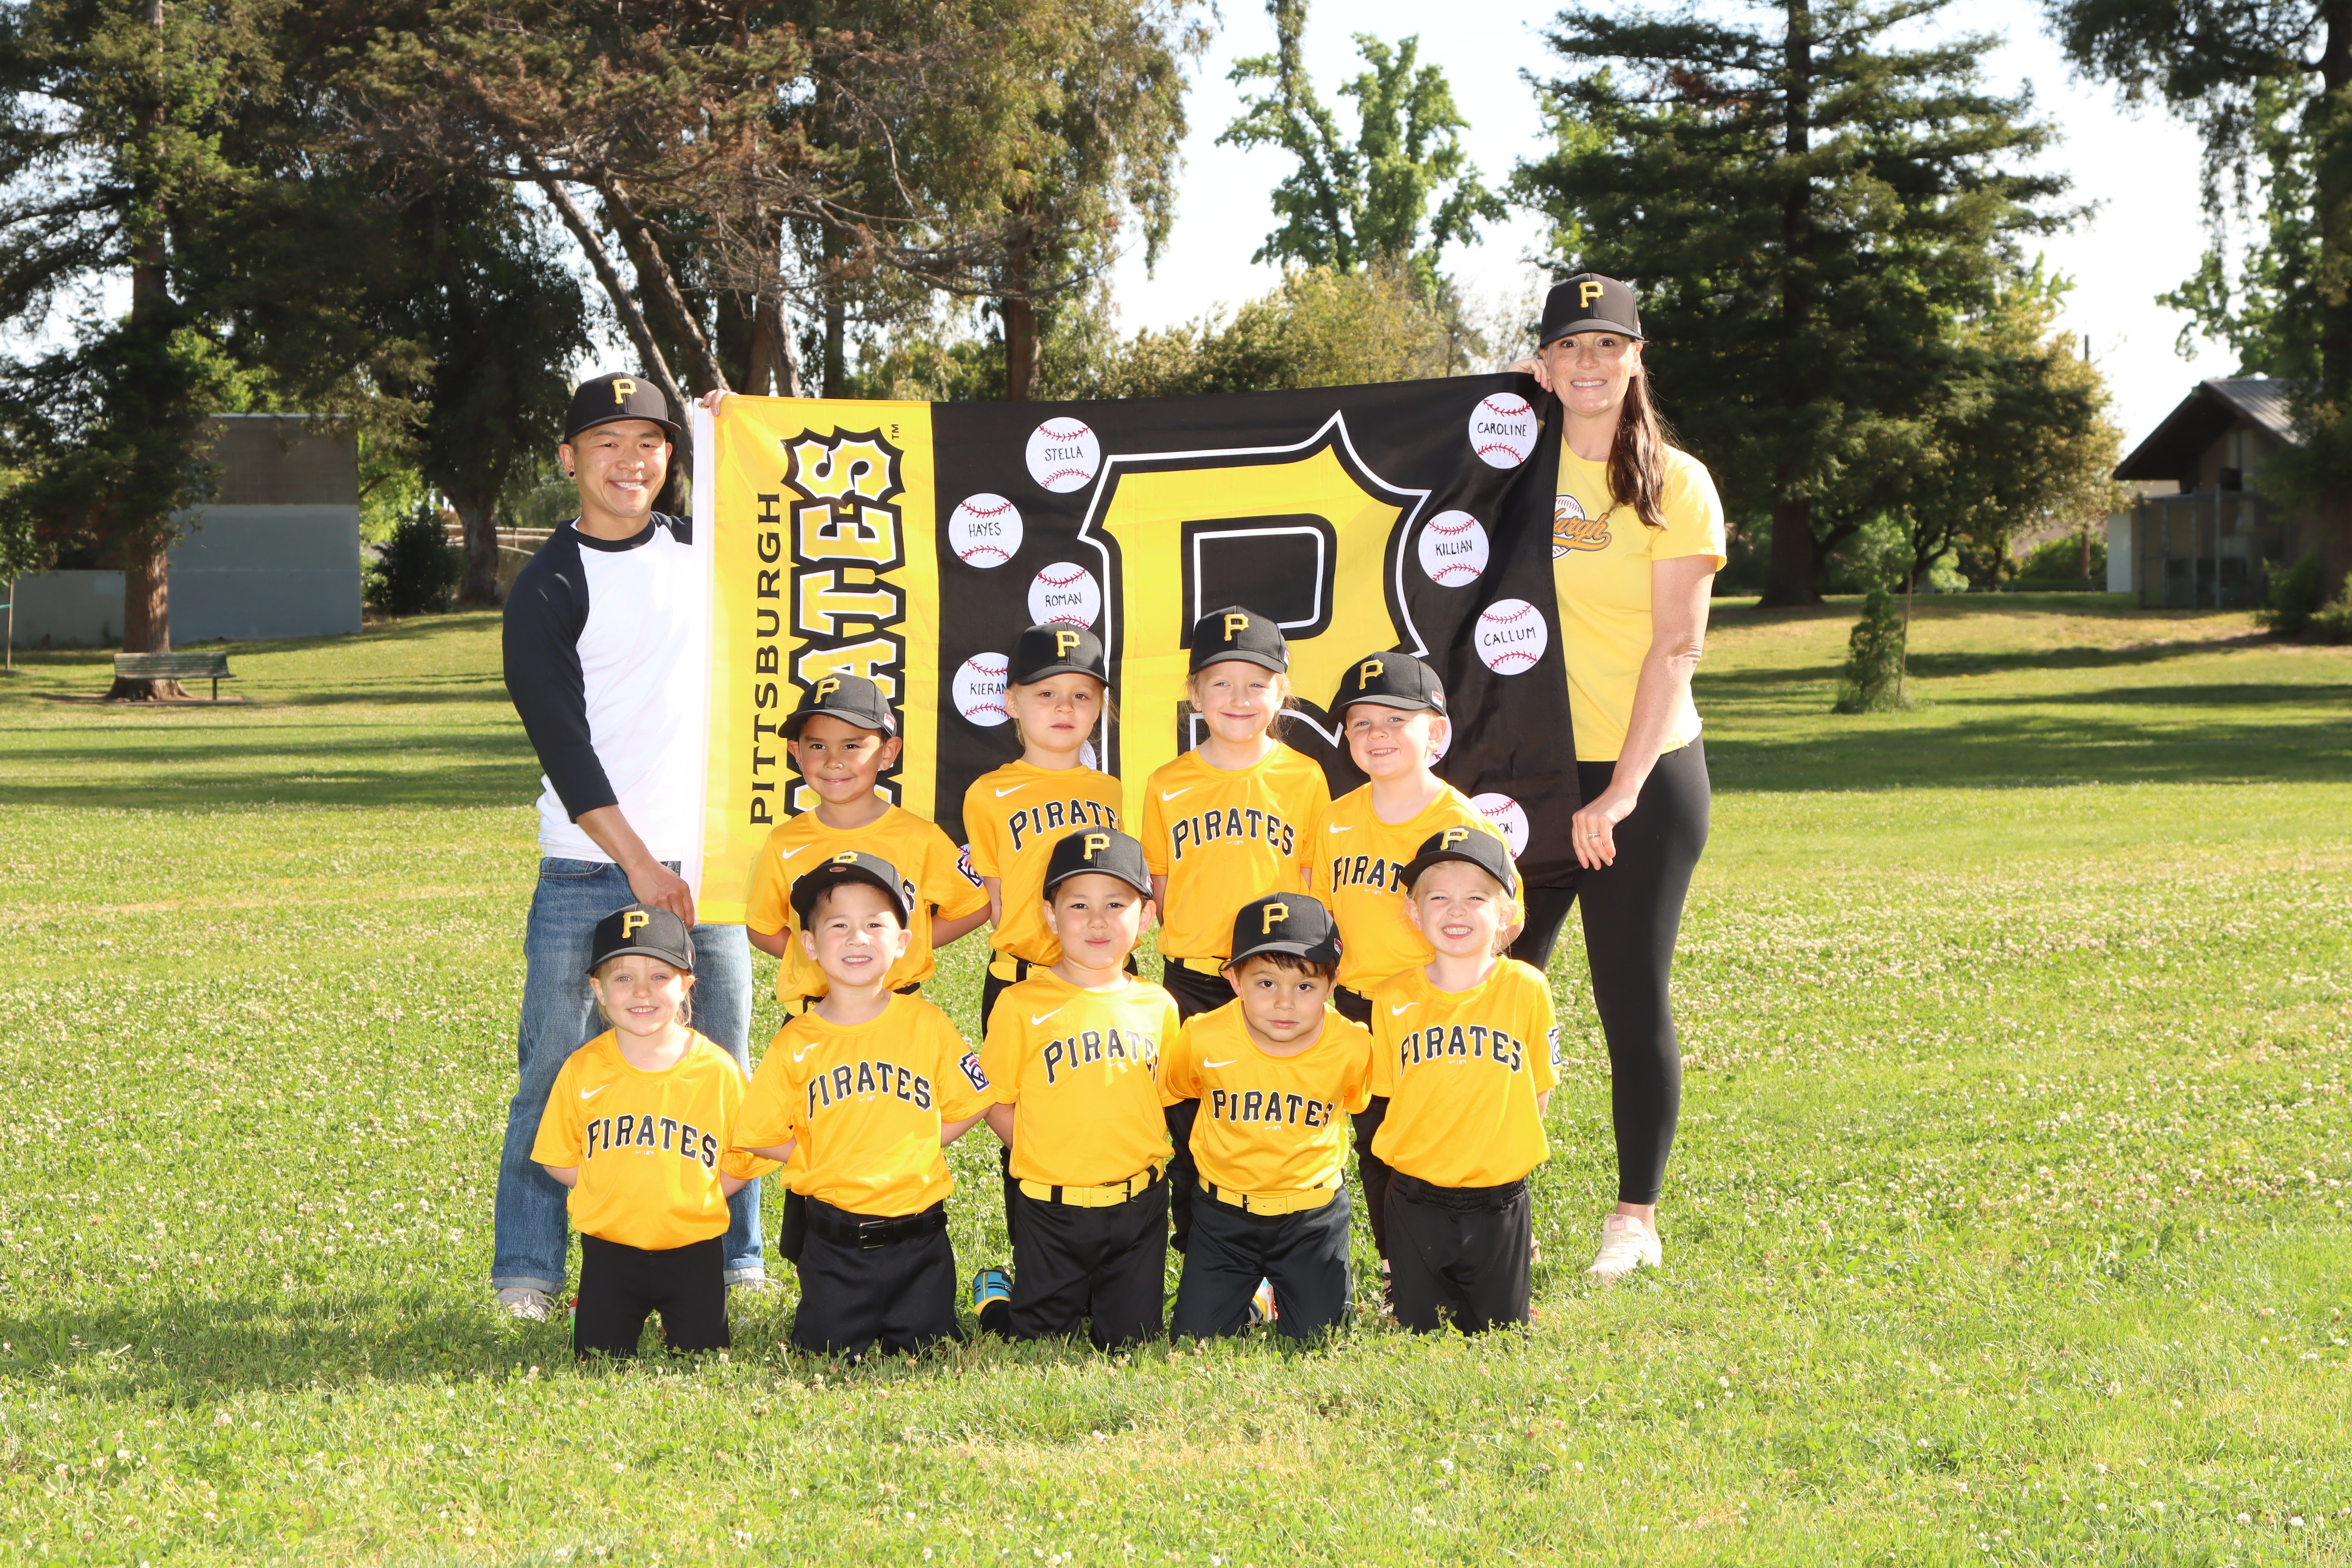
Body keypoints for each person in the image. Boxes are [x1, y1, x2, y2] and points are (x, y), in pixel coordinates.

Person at [497, 373, 764, 1320]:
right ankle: (528, 1273)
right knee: (554, 1071)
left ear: (669, 457)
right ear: (569, 458)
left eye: (649, 441)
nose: (629, 461)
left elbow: (788, 532)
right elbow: (564, 748)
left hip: (707, 870)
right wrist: (643, 867)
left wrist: (735, 429)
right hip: (588, 866)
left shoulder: (703, 550)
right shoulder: (548, 585)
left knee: (722, 1064)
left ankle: (734, 1260)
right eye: (607, 442)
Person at [1511, 273, 1726, 1282]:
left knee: (1628, 997)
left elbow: (1677, 647)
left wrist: (1623, 789)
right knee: (1493, 990)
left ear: (1637, 358)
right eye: (1570, 346)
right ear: (1543, 366)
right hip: (1531, 773)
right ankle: (1482, 1198)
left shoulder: (1675, 483)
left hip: (1646, 774)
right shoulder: (1512, 465)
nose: (1589, 363)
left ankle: (1634, 1218)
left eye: (1608, 345)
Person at [732, 853, 990, 1359]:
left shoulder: (927, 1024)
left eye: (875, 924)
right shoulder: (796, 1041)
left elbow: (973, 1101)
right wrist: (820, 1155)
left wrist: (915, 1140)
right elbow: (758, 1132)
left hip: (921, 1240)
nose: (857, 938)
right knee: (826, 1355)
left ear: (903, 941)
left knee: (929, 1353)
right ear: (809, 944)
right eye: (839, 925)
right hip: (835, 1244)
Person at [1305, 651, 1510, 1273]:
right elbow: (1325, 916)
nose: (1378, 734)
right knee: (1378, 1141)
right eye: (1361, 722)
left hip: (1434, 1006)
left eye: (1397, 719)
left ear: (1436, 731)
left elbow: (1508, 918)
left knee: (1449, 1129)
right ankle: (1402, 1265)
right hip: (1363, 1007)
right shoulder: (1337, 818)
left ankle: (1480, 1254)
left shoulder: (1461, 821)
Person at [1141, 606, 1330, 1253]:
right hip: (1193, 980)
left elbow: (1312, 885)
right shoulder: (1168, 783)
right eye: (1220, 682)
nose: (1239, 698)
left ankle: (1276, 1258)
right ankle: (1205, 1256)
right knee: (1191, 1122)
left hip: (1276, 981)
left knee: (1269, 1119)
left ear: (1282, 692)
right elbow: (1161, 887)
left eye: (1257, 683)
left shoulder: (1303, 777)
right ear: (1194, 694)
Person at [969, 829, 1178, 1348]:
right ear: (1050, 915)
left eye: (1116, 903)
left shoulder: (1159, 1006)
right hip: (1050, 1207)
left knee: (1132, 1342)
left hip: (1138, 1204)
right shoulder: (1020, 1004)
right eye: (1079, 904)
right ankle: (997, 1300)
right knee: (1040, 1342)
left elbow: (1163, 1100)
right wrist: (1041, 1149)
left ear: (1147, 916)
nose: (1098, 920)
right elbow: (994, 1097)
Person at [530, 904, 765, 1358]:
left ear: (687, 984)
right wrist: (608, 1186)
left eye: (660, 976)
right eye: (623, 977)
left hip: (694, 1248)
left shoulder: (717, 1070)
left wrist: (702, 1192)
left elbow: (748, 1156)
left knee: (703, 1358)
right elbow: (557, 1157)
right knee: (599, 1359)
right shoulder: (582, 1069)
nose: (642, 991)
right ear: (598, 989)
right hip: (610, 1250)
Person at [1369, 830, 1558, 1335]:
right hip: (1415, 1199)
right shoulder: (1392, 996)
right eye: (1439, 898)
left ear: (1507, 913)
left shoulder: (1527, 989)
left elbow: (1539, 1090)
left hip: (1499, 1200)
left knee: (1502, 1331)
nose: (1456, 911)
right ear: (1413, 913)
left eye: (1476, 898)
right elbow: (1392, 1094)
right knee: (1419, 1330)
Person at [1161, 893, 1373, 1342]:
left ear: (1332, 985)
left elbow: (1356, 1100)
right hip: (1222, 1216)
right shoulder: (1202, 1037)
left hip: (1313, 1217)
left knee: (1320, 1342)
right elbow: (1180, 1086)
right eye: (1266, 983)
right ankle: (1256, 1295)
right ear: (1235, 979)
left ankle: (1285, 1290)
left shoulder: (1352, 1046)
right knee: (1196, 1342)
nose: (1284, 1003)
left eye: (1305, 986)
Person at [742, 674, 990, 1012]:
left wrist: (898, 946)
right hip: (815, 1015)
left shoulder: (920, 836)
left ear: (888, 753)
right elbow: (763, 928)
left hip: (899, 1011)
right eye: (817, 746)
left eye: (851, 746)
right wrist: (820, 953)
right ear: (796, 753)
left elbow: (972, 907)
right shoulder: (784, 842)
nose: (833, 760)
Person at [962, 624, 1124, 1032]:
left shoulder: (1111, 791)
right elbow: (999, 904)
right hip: (1022, 979)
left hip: (1106, 978)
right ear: (1012, 702)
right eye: (1046, 693)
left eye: (1081, 695)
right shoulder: (987, 793)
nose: (1065, 707)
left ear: (1099, 706)